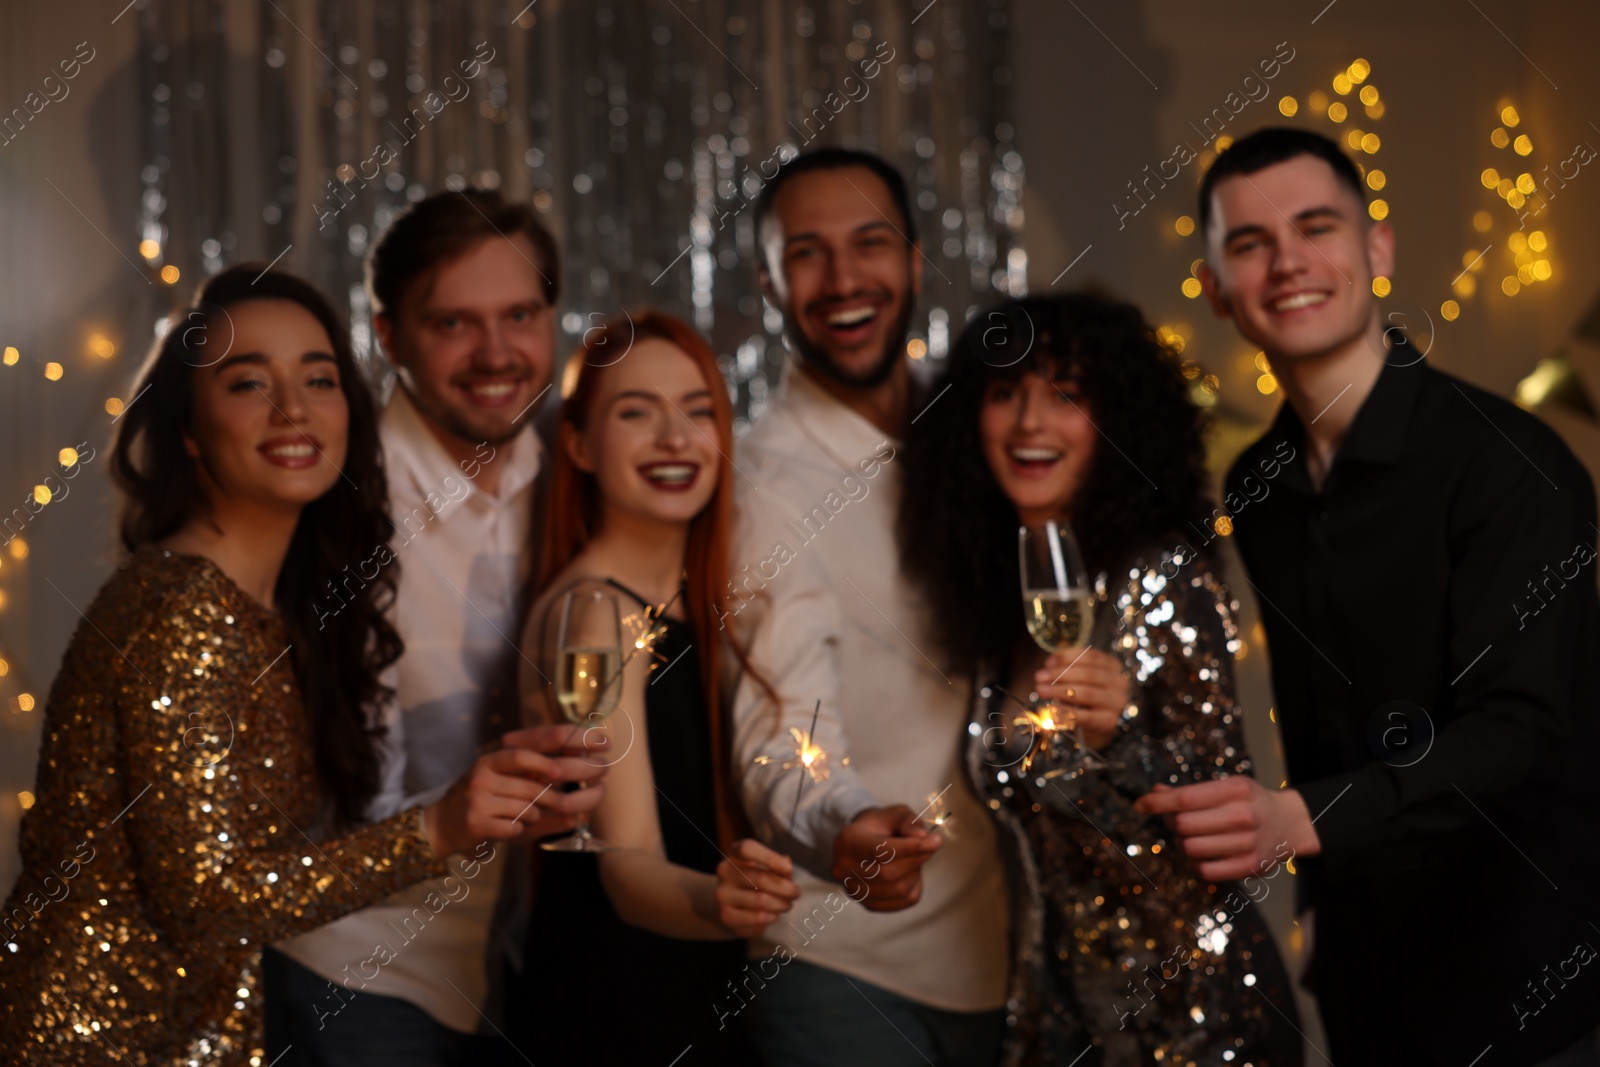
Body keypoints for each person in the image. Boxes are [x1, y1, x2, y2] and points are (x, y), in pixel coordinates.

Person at [0, 265, 602, 1066]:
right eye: (249, 382)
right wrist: (441, 826)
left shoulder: (271, 605)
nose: (293, 408)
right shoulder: (182, 610)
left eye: (319, 378)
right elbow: (208, 904)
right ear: (189, 426)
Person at [1142, 125, 1600, 1065]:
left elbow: (1518, 731)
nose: (1287, 263)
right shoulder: (1257, 484)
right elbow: (1316, 727)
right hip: (1364, 989)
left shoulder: (1508, 462)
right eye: (1249, 243)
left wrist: (1299, 820)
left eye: (1317, 227)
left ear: (1376, 249)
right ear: (1220, 288)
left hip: (1531, 976)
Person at [899, 291, 1303, 1066]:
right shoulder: (999, 604)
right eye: (1004, 393)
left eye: (1066, 394)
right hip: (1061, 1028)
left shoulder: (1162, 578)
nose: (1028, 423)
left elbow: (1234, 814)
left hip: (1201, 1024)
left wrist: (1122, 739)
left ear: (1116, 422)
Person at [265, 189, 580, 1065]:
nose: (496, 353)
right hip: (360, 966)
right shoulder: (330, 498)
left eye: (521, 313)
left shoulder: (579, 466)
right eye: (453, 323)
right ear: (388, 336)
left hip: (517, 958)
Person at [728, 146, 1010, 1066]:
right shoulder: (757, 484)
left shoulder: (990, 433)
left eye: (871, 242)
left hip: (1010, 953)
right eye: (806, 252)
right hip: (839, 969)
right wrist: (839, 824)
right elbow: (780, 724)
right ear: (768, 283)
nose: (844, 277)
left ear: (916, 261)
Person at [508, 310, 801, 1065]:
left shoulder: (690, 598)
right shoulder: (597, 614)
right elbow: (626, 863)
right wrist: (723, 902)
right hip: (617, 996)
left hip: (688, 977)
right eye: (637, 413)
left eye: (698, 411)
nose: (676, 438)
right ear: (577, 443)